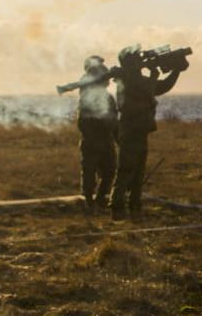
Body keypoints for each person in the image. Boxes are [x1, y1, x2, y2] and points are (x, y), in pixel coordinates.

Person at [109, 44, 187, 220]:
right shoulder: (128, 78)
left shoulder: (135, 78)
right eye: (137, 58)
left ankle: (135, 206)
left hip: (139, 130)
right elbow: (150, 87)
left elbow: (160, 87)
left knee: (138, 171)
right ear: (130, 62)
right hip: (131, 130)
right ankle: (117, 207)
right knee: (126, 169)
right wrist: (155, 72)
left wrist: (176, 71)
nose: (141, 61)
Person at [76, 55, 118, 212]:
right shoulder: (87, 92)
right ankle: (89, 200)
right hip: (92, 139)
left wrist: (117, 137)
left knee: (109, 171)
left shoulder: (108, 97)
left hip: (106, 139)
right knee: (89, 171)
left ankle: (100, 200)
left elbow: (114, 120)